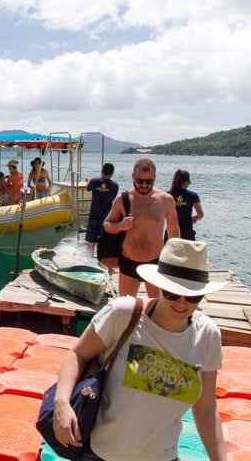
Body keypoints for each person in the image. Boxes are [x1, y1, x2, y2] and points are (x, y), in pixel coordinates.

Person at [53, 238, 227, 461]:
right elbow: (78, 354)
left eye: (193, 296)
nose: (182, 303)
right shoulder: (124, 314)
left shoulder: (208, 336)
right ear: (160, 285)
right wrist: (62, 403)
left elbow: (205, 409)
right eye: (173, 293)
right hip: (101, 454)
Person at [102, 158, 180, 297]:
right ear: (133, 176)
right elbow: (107, 225)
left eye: (149, 182)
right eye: (140, 181)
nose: (144, 185)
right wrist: (121, 225)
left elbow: (174, 232)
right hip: (128, 262)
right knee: (127, 308)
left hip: (156, 262)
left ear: (154, 178)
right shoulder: (123, 199)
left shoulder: (166, 200)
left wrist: (175, 261)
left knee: (156, 309)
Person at [85, 163, 119, 269]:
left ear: (102, 170)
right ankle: (102, 265)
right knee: (104, 242)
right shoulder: (115, 185)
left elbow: (87, 188)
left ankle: (89, 264)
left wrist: (88, 181)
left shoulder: (94, 181)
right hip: (107, 217)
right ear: (112, 173)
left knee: (91, 243)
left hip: (94, 215)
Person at [168, 169, 203, 241]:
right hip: (187, 233)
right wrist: (194, 219)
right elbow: (200, 214)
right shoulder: (193, 195)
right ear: (186, 182)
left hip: (170, 233)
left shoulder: (168, 195)